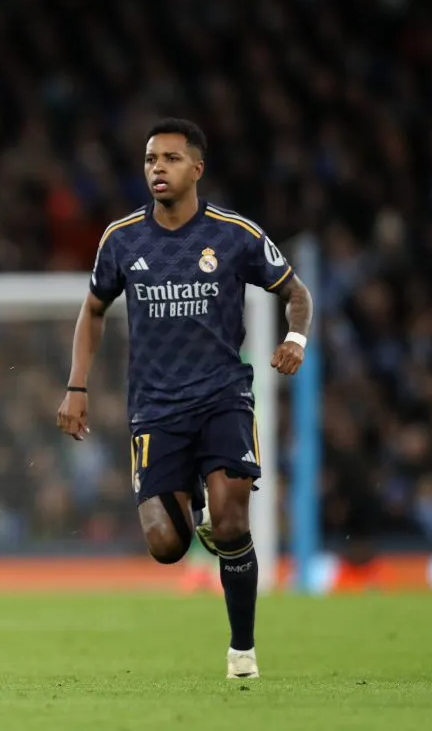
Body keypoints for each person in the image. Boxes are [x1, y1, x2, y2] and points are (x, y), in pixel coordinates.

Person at [57, 118, 312, 679]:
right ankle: (189, 509)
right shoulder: (122, 238)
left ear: (196, 168)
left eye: (170, 159)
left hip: (224, 396)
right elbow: (93, 309)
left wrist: (295, 337)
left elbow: (296, 291)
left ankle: (242, 650)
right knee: (165, 546)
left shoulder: (233, 234)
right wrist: (76, 386)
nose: (157, 169)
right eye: (150, 159)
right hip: (154, 407)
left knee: (231, 519)